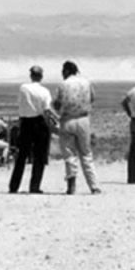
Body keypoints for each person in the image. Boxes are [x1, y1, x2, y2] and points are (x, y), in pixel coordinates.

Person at [53, 60, 100, 195]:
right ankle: (94, 186)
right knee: (86, 154)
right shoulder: (86, 82)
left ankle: (71, 186)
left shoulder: (63, 85)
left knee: (69, 155)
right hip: (83, 119)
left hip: (67, 120)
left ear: (67, 71)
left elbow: (57, 104)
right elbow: (92, 98)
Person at [9, 65, 53, 194]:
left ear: (31, 75)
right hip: (40, 122)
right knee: (39, 156)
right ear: (41, 76)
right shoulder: (45, 91)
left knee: (21, 155)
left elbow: (21, 103)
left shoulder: (23, 88)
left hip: (26, 123)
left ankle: (14, 186)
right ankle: (34, 186)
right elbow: (46, 110)